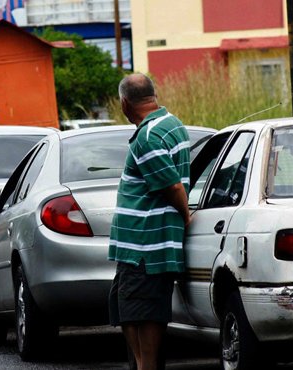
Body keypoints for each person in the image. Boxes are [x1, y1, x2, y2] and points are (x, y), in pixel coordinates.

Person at [108, 73, 191, 370]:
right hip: (139, 246)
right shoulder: (172, 124)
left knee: (143, 312)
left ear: (125, 103)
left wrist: (186, 216)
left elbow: (173, 186)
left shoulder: (147, 137)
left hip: (145, 245)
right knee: (127, 308)